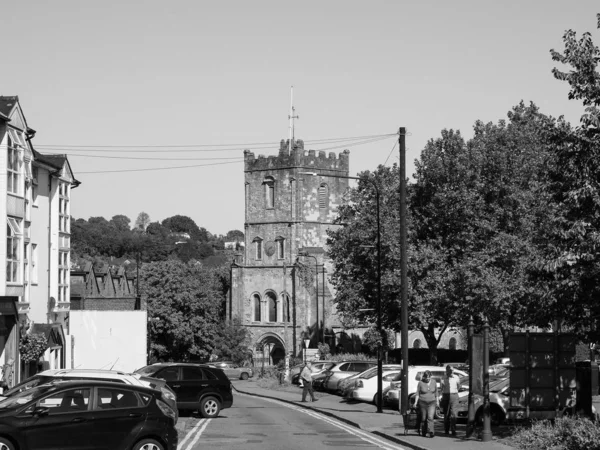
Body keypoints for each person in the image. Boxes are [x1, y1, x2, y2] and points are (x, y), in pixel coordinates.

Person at [413, 370, 438, 438]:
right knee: (424, 418)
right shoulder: (420, 383)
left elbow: (436, 393)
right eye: (426, 377)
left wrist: (437, 401)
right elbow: (417, 393)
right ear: (424, 377)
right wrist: (415, 402)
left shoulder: (434, 382)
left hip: (432, 402)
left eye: (429, 377)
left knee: (430, 417)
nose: (428, 379)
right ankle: (424, 431)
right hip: (422, 402)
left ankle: (431, 431)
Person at [440, 365, 460, 436]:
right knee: (447, 414)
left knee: (454, 414)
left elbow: (458, 386)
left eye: (452, 370)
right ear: (447, 371)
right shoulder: (443, 378)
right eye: (450, 370)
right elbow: (441, 388)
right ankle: (446, 430)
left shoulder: (456, 377)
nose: (452, 372)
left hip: (454, 395)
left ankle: (454, 430)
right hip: (446, 395)